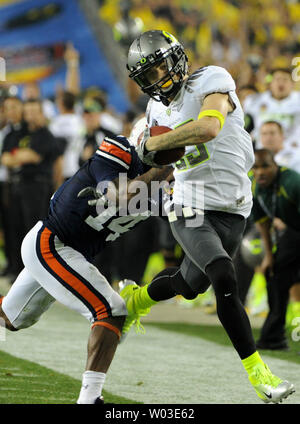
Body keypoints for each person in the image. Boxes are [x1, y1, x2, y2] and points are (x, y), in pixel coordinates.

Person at [119, 29, 295, 403]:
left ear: (178, 57)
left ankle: (137, 300)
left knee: (189, 284)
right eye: (148, 75)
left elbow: (209, 126)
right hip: (187, 202)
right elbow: (159, 169)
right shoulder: (154, 111)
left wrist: (150, 144)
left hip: (234, 206)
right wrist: (126, 188)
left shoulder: (210, 78)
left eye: (161, 66)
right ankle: (259, 373)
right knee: (222, 274)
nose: (159, 78)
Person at [0, 131, 171, 404]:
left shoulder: (168, 187)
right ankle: (89, 398)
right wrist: (163, 170)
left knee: (12, 318)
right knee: (111, 310)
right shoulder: (119, 151)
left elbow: (185, 217)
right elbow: (117, 195)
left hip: (71, 254)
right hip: (53, 243)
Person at [251, 149, 300, 350]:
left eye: (265, 166)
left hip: (296, 233)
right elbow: (263, 224)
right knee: (275, 277)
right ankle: (274, 338)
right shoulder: (258, 188)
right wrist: (269, 257)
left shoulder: (292, 182)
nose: (260, 172)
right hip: (294, 232)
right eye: (255, 167)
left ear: (275, 166)